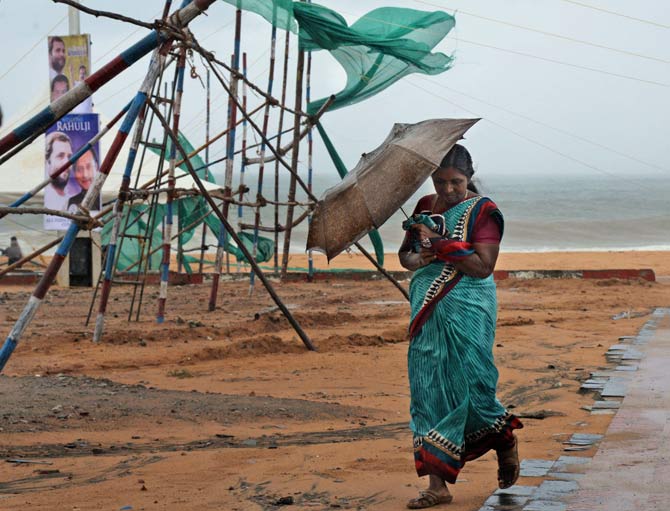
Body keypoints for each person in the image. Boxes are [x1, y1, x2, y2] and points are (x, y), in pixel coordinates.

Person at [398, 144, 522, 509]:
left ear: (469, 177)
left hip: (469, 305)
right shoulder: (423, 207)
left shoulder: (485, 211)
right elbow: (406, 256)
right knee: (427, 388)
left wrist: (441, 243)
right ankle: (437, 485)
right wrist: (418, 256)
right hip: (428, 307)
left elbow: (483, 266)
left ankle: (504, 442)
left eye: (456, 181)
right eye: (440, 181)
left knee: (474, 385)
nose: (447, 189)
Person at [45, 131, 80, 211]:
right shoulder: (46, 195)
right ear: (48, 160)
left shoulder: (70, 198)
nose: (66, 162)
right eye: (60, 156)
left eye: (69, 156)